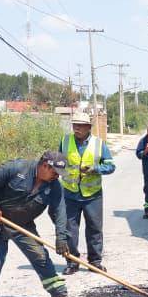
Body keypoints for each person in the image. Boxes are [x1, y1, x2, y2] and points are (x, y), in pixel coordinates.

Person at [0, 151, 73, 297]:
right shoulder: (17, 168)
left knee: (40, 256)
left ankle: (59, 294)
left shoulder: (54, 186)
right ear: (44, 165)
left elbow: (59, 211)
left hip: (22, 223)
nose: (57, 176)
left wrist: (61, 237)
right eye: (55, 172)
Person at [59, 112, 115, 274]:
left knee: (94, 228)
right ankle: (72, 262)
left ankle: (95, 261)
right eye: (74, 125)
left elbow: (111, 166)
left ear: (88, 127)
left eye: (80, 125)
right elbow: (59, 163)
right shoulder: (65, 141)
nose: (76, 128)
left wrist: (95, 169)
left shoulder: (99, 144)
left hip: (92, 195)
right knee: (69, 229)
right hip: (70, 193)